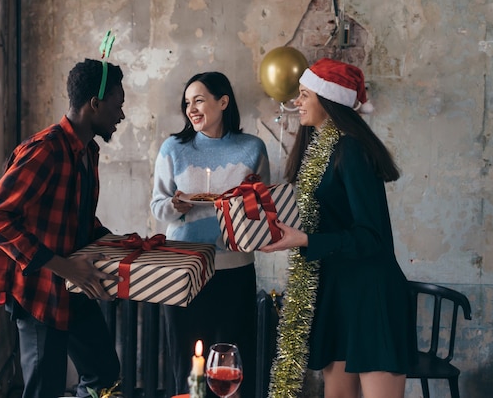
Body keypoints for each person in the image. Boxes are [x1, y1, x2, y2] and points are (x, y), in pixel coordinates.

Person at [260, 58, 416, 398]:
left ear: (328, 99)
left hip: (372, 295)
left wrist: (304, 239)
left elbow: (371, 237)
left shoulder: (351, 149)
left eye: (304, 95)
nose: (296, 103)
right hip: (337, 291)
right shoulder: (317, 151)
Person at [0, 58, 126, 398]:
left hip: (72, 286)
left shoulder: (87, 151)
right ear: (95, 104)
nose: (121, 115)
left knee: (104, 372)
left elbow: (77, 221)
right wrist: (65, 267)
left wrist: (125, 245)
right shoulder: (46, 149)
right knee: (44, 389)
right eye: (117, 105)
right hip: (38, 293)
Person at [150, 71, 270, 398]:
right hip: (183, 271)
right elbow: (158, 207)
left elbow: (263, 211)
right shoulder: (173, 148)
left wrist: (246, 206)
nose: (191, 108)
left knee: (232, 368)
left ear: (223, 101)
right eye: (187, 102)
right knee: (185, 366)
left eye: (199, 99)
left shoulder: (253, 148)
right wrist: (177, 205)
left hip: (235, 272)